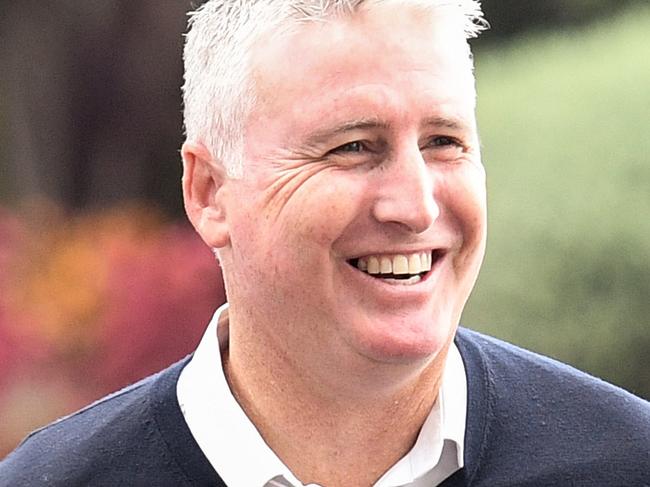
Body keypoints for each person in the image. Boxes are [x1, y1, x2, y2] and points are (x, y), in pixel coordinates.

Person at [1, 1, 648, 486]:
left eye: (444, 141)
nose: (417, 204)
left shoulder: (625, 460)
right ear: (208, 192)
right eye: (353, 146)